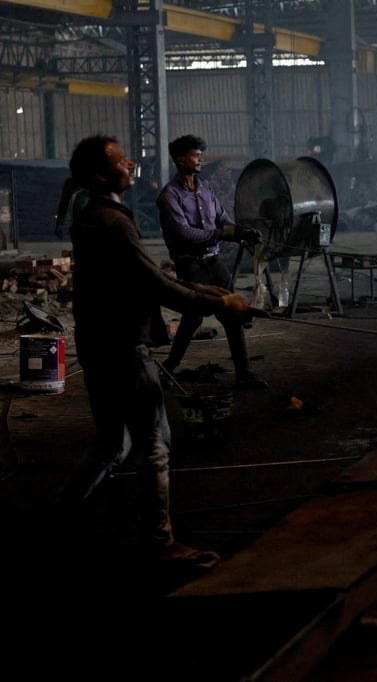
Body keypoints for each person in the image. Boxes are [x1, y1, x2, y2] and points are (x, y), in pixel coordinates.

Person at [59, 134, 257, 568]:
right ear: (99, 175)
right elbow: (156, 282)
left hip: (100, 345)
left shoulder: (96, 216)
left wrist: (206, 289)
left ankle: (57, 522)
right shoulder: (113, 223)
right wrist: (217, 301)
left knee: (112, 445)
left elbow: (148, 275)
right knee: (154, 443)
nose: (130, 164)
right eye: (120, 160)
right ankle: (160, 542)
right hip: (123, 348)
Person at [157, 134, 266, 389]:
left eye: (200, 155)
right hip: (190, 264)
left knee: (232, 315)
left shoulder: (205, 187)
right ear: (181, 159)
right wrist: (223, 234)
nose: (200, 160)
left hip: (213, 261)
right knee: (193, 318)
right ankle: (168, 370)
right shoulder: (169, 196)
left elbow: (222, 218)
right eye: (195, 155)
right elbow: (184, 233)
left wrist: (240, 231)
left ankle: (244, 375)